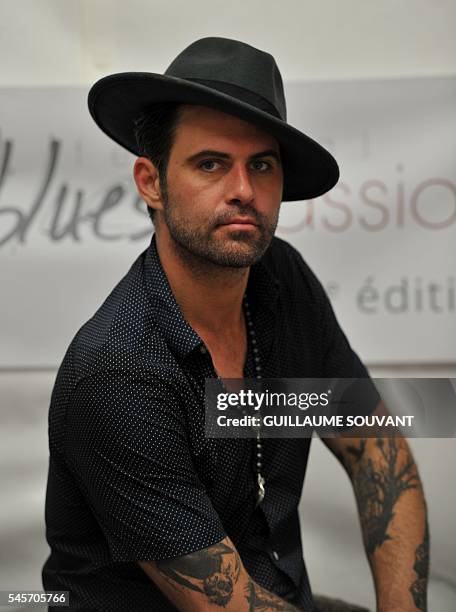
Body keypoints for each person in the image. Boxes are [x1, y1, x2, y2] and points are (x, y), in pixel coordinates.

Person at [42, 37, 429, 611]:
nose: (243, 191)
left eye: (262, 166)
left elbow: (376, 447)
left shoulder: (280, 278)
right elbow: (231, 606)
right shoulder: (117, 370)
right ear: (151, 181)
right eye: (211, 163)